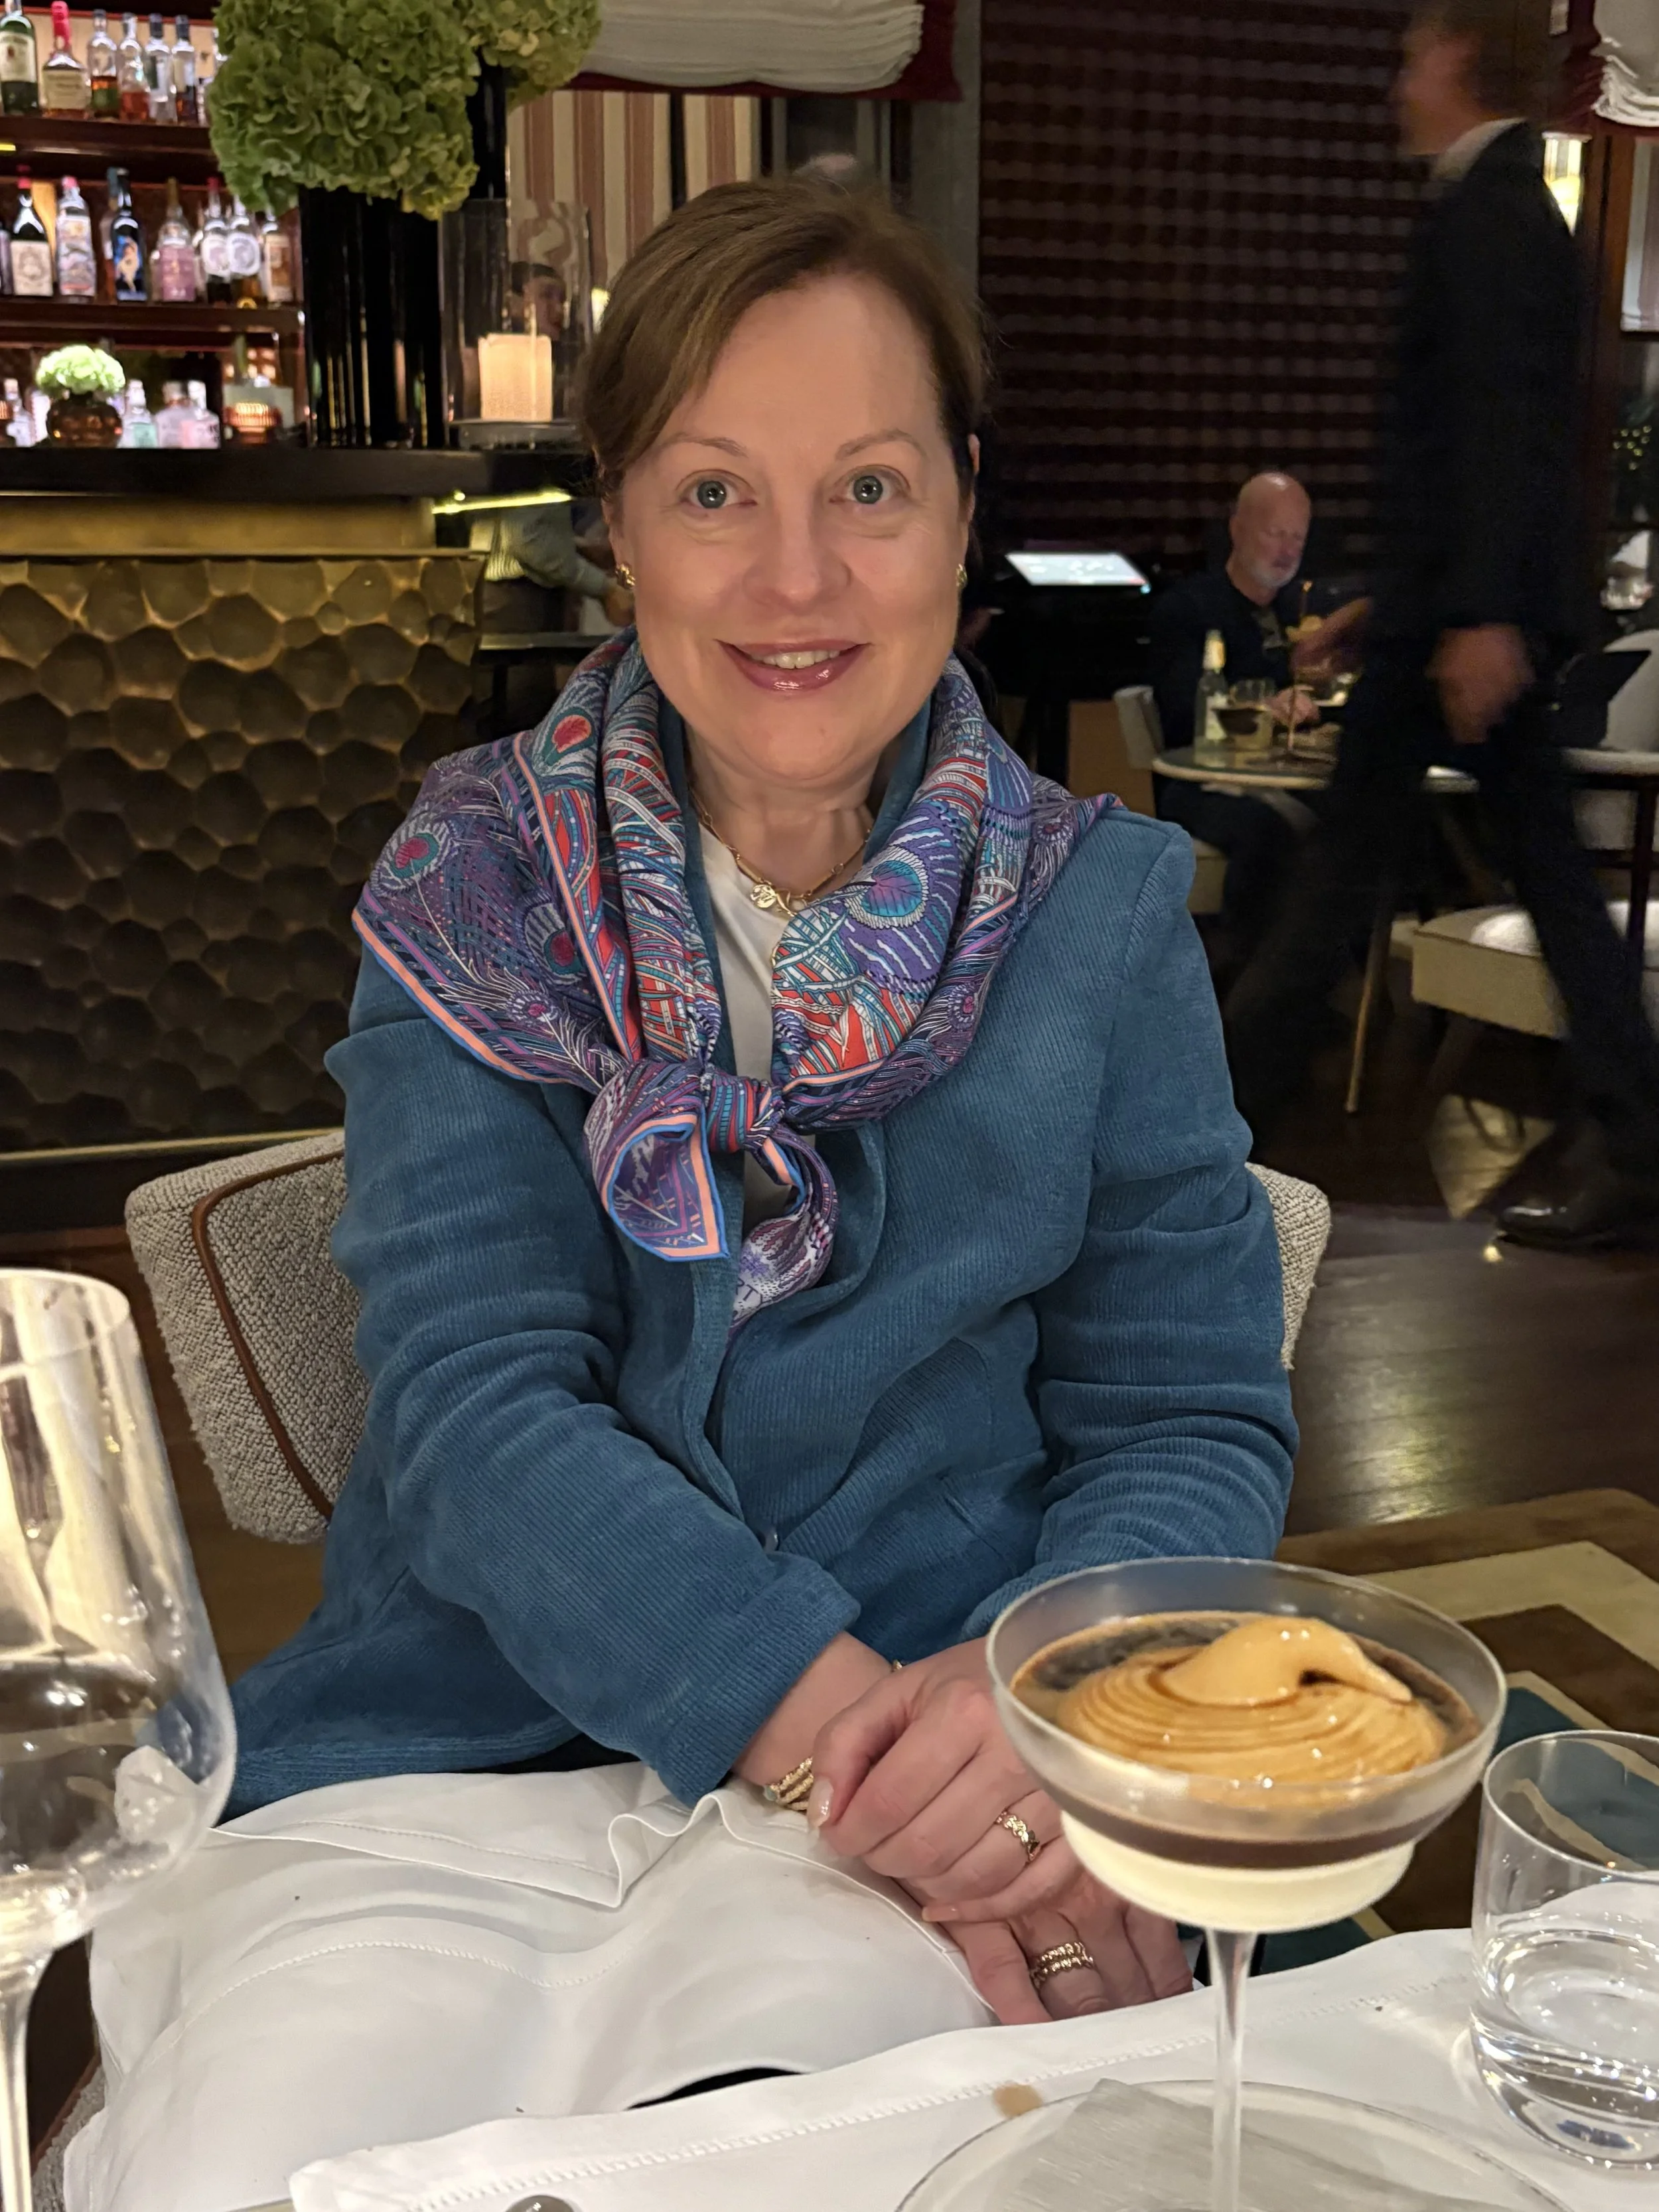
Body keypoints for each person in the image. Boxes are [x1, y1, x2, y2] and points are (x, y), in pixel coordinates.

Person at [214, 179, 1294, 2037]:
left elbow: (1182, 1410)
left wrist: (1046, 1698)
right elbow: (477, 1410)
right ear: (619, 524)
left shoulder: (1099, 913)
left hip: (974, 1736)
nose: (797, 581)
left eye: (868, 487)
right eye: (714, 492)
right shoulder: (477, 880)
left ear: (959, 508)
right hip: (476, 1758)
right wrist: (838, 1743)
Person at [1224, 0, 1659, 1248]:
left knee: (1349, 878)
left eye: (1415, 55)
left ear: (1461, 57)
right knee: (1471, 874)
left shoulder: (1493, 214)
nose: (1400, 80)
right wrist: (1396, 606)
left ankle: (1208, 1134)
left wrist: (1476, 617)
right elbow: (1480, 453)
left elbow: (1503, 440)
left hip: (1467, 629)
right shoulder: (1506, 208)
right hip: (1453, 619)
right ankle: (1640, 1143)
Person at [1148, 471, 1319, 957]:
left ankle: (1344, 969)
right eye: (1275, 533)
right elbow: (1184, 712)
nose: (1287, 551)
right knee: (1273, 834)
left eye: (1297, 538)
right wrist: (1267, 709)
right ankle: (1244, 973)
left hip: (1284, 779)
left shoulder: (1299, 616)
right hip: (1201, 784)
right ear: (1237, 529)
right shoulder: (1189, 609)